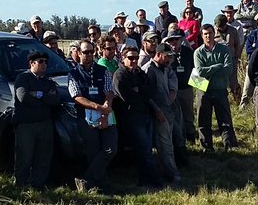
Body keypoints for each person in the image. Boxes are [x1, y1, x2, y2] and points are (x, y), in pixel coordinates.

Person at [68, 39, 116, 193]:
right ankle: (102, 185)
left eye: (91, 52)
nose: (88, 55)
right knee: (93, 151)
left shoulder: (103, 70)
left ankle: (86, 179)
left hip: (106, 114)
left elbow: (109, 91)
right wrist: (97, 107)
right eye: (85, 52)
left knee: (110, 149)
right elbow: (76, 96)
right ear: (78, 53)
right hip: (86, 117)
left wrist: (104, 109)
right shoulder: (73, 74)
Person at [111, 46, 161, 190]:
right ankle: (153, 180)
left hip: (145, 113)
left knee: (147, 148)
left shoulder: (139, 73)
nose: (134, 61)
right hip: (132, 116)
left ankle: (146, 179)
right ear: (123, 59)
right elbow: (126, 96)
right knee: (143, 148)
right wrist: (140, 92)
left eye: (136, 58)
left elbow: (150, 90)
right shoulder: (119, 75)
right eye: (130, 58)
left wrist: (139, 90)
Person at [13, 50, 61, 189]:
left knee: (43, 157)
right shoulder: (23, 78)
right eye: (40, 62)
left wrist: (38, 95)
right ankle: (21, 185)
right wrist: (45, 97)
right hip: (26, 125)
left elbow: (56, 99)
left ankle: (38, 184)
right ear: (31, 63)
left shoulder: (48, 81)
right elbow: (23, 97)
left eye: (46, 62)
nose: (44, 64)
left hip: (45, 123)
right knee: (24, 157)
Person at [194, 24, 237, 152]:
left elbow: (228, 70)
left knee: (225, 119)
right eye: (205, 34)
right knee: (203, 120)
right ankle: (206, 147)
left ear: (214, 34)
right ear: (202, 36)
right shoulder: (198, 52)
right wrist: (218, 66)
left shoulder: (224, 50)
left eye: (210, 33)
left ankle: (229, 146)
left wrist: (210, 71)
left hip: (220, 89)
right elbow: (200, 72)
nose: (208, 36)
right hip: (202, 89)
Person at [143, 42, 180, 184]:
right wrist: (157, 110)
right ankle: (173, 174)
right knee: (164, 145)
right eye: (167, 56)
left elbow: (172, 82)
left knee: (169, 143)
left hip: (167, 109)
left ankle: (168, 170)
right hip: (157, 112)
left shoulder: (165, 68)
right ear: (158, 55)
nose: (169, 59)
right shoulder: (149, 70)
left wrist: (172, 93)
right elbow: (147, 95)